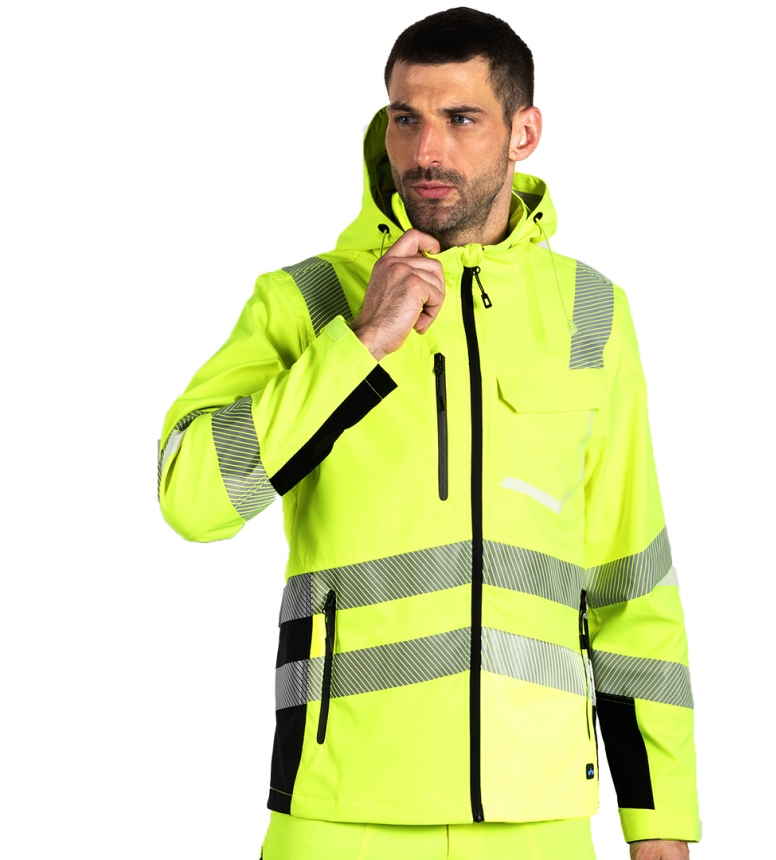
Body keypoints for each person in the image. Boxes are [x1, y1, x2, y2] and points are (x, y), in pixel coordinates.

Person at [157, 8, 700, 859]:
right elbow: (192, 499)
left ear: (524, 132)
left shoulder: (591, 312)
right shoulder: (305, 302)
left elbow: (632, 579)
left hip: (539, 813)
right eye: (406, 118)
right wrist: (359, 344)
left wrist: (659, 818)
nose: (426, 151)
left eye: (461, 118)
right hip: (339, 809)